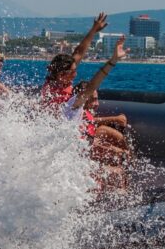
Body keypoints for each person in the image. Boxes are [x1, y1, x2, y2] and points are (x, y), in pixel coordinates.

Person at [66, 37, 131, 165]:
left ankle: (128, 159)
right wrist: (113, 61)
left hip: (88, 145)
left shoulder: (81, 111)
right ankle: (126, 161)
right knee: (102, 132)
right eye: (93, 99)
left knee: (107, 138)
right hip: (80, 152)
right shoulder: (74, 108)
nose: (97, 104)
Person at [39, 12, 109, 109]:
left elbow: (79, 52)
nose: (75, 74)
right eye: (72, 72)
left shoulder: (62, 80)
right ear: (61, 74)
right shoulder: (55, 93)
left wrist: (94, 30)